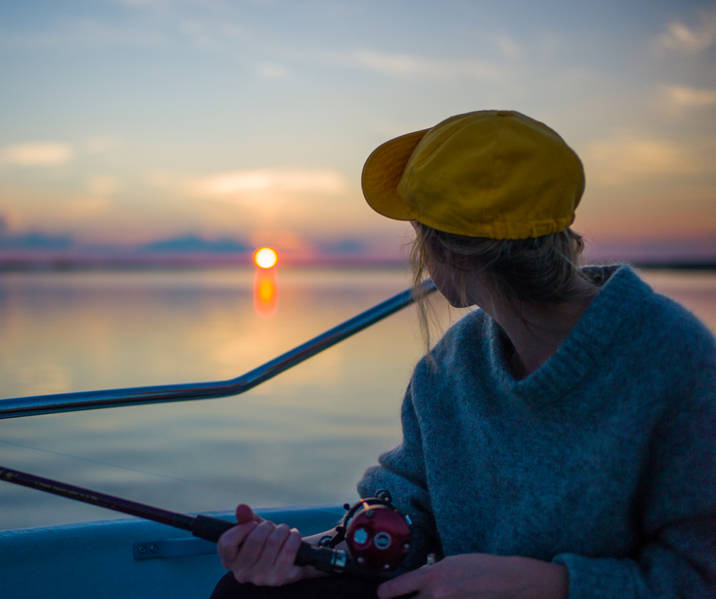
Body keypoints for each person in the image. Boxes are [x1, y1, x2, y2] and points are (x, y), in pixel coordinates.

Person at [211, 110, 716, 598]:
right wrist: (320, 552)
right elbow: (410, 496)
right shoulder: (454, 363)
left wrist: (552, 586)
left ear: (446, 252)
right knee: (243, 592)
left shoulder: (674, 360)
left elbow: (702, 573)